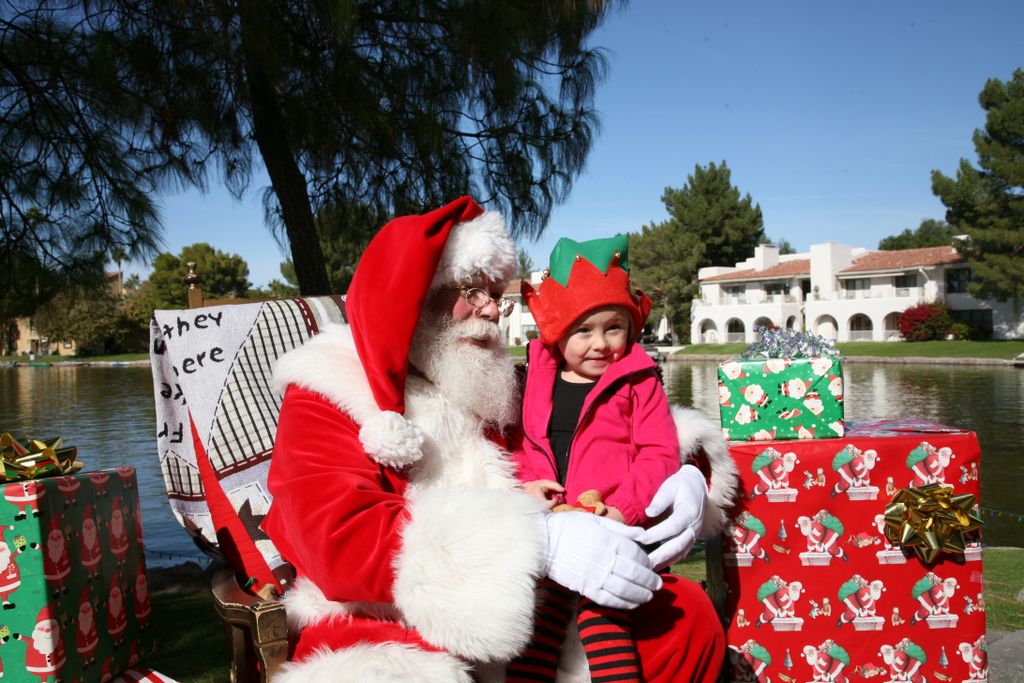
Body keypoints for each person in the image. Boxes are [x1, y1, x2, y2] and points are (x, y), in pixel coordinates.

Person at [262, 197, 734, 682]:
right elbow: (337, 539)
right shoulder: (330, 388)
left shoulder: (488, 385)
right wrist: (537, 540)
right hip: (388, 626)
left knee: (684, 615)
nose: (490, 310)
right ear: (412, 297)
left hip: (532, 613)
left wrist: (686, 469)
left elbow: (585, 442)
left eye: (495, 293)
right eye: (472, 290)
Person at [506, 235, 681, 683]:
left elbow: (659, 454)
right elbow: (525, 445)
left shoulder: (640, 382)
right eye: (584, 330)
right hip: (551, 523)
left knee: (603, 610)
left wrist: (622, 509)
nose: (600, 343)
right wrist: (529, 486)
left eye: (613, 328)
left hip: (609, 521)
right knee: (537, 614)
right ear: (559, 332)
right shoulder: (536, 381)